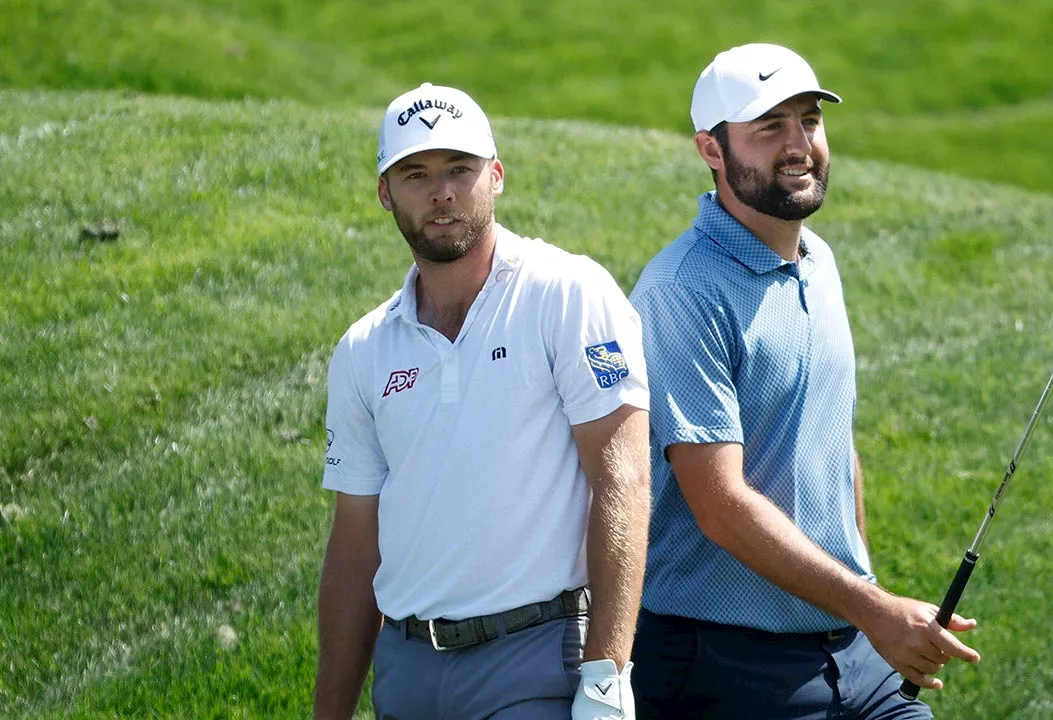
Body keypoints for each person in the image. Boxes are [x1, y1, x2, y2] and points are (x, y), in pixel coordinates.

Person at [627, 44, 981, 719]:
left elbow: (833, 445)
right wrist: (874, 608)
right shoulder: (682, 293)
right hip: (725, 670)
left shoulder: (819, 262)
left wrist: (864, 594)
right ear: (711, 149)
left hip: (849, 644)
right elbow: (721, 506)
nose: (799, 145)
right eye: (769, 128)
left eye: (810, 121)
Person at [314, 82, 650, 720]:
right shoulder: (363, 349)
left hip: (535, 657)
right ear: (385, 192)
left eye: (460, 170)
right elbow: (356, 543)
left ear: (495, 176)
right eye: (416, 174)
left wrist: (608, 679)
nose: (442, 192)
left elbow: (622, 479)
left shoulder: (567, 292)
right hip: (407, 668)